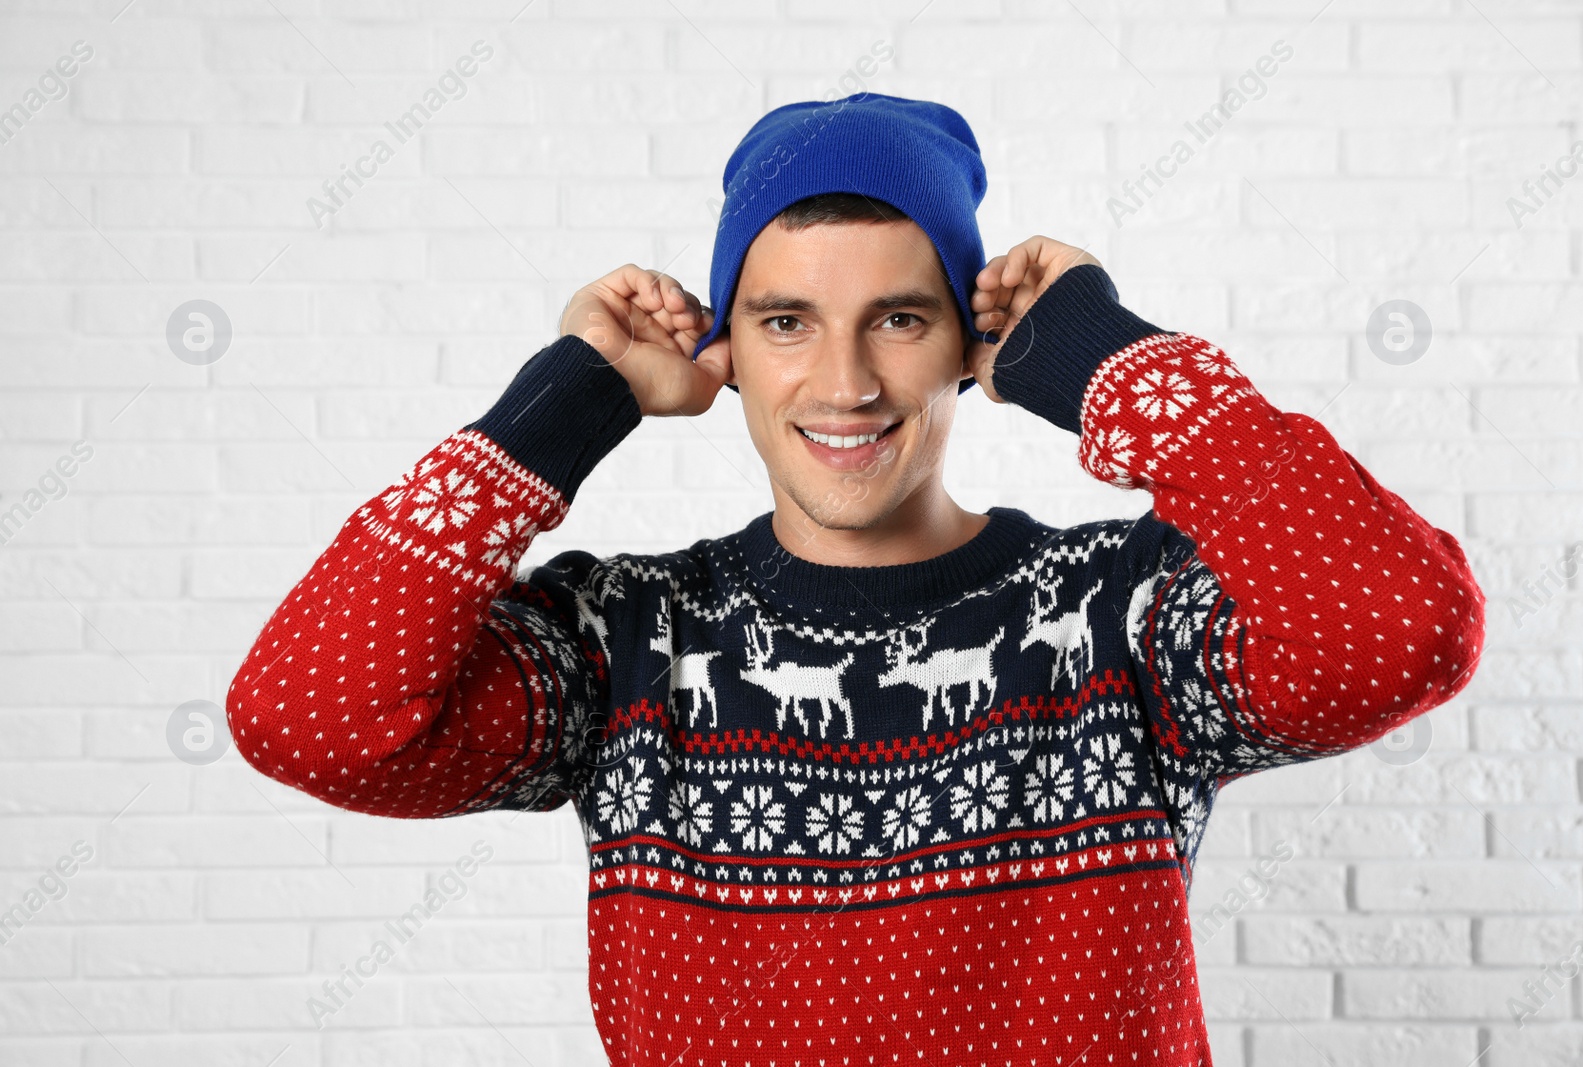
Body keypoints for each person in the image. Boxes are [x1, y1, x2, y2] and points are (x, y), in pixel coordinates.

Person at [225, 93, 1485, 1065]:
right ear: (723, 349)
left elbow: (1400, 628)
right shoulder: (625, 641)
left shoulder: (1122, 615)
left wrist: (1113, 363)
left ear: (972, 345)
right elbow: (310, 718)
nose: (844, 384)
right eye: (783, 322)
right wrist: (562, 405)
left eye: (897, 317)